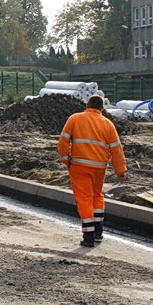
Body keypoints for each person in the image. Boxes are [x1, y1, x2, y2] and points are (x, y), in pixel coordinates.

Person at [58, 95, 128, 247]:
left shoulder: (75, 118)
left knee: (85, 199)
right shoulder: (108, 124)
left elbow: (63, 141)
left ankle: (88, 236)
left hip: (79, 166)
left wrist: (65, 159)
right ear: (102, 109)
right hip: (99, 168)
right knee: (97, 196)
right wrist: (121, 171)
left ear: (87, 105)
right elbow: (116, 150)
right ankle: (98, 232)